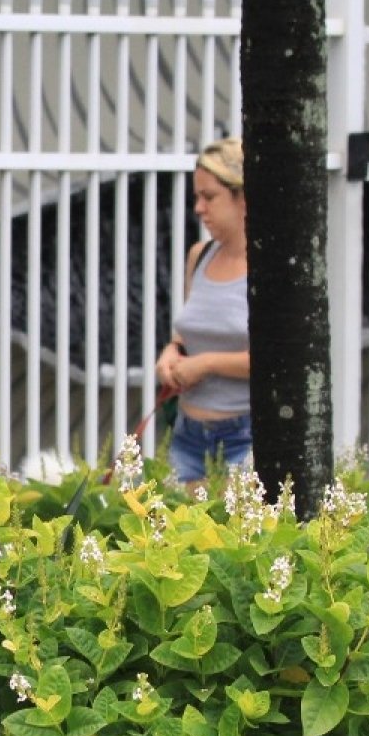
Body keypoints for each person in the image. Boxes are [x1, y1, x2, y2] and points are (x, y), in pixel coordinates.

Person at [155, 137, 252, 488]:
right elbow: (191, 330)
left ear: (243, 198)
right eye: (197, 197)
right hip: (187, 435)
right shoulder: (200, 256)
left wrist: (207, 364)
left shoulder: (270, 269)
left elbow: (279, 361)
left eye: (209, 197)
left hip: (244, 437)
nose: (198, 208)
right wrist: (172, 352)